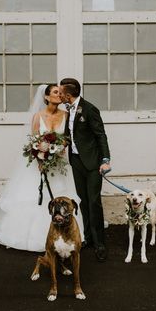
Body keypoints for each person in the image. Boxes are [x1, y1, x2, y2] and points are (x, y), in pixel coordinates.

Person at [0, 84, 84, 252]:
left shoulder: (67, 115)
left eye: (61, 92)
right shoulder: (38, 116)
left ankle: (66, 235)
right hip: (40, 165)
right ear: (47, 97)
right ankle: (33, 237)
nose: (60, 95)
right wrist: (41, 157)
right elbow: (33, 142)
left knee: (63, 196)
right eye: (56, 92)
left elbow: (67, 139)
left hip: (60, 165)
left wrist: (58, 147)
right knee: (35, 199)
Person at [59, 78, 111, 262]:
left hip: (93, 163)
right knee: (82, 201)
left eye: (60, 92)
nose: (59, 94)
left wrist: (105, 160)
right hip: (77, 162)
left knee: (94, 202)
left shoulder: (89, 109)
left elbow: (100, 135)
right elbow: (69, 135)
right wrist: (58, 146)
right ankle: (88, 238)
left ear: (68, 94)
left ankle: (100, 244)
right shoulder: (68, 110)